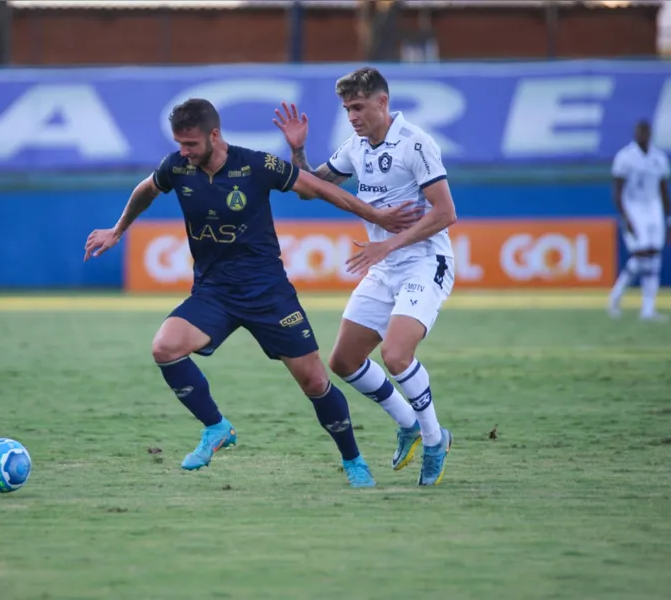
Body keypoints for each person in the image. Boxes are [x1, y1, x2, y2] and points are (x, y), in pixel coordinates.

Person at [84, 98, 421, 488]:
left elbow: (316, 189)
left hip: (268, 294)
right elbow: (146, 189)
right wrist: (118, 229)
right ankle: (216, 428)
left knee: (314, 381)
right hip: (214, 293)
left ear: (214, 135)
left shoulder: (257, 165)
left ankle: (353, 461)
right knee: (165, 347)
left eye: (191, 144)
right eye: (179, 143)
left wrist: (376, 215)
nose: (184, 152)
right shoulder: (176, 166)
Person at [272, 66, 457, 486]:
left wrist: (386, 244)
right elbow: (311, 188)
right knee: (343, 360)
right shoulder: (355, 147)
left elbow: (446, 213)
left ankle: (434, 440)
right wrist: (298, 153)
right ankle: (407, 422)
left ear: (382, 102)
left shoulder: (416, 143)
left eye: (358, 107)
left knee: (395, 355)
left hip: (426, 262)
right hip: (383, 265)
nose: (352, 115)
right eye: (346, 108)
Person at [608, 120, 671, 322]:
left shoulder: (659, 158)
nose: (642, 135)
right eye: (639, 132)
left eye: (645, 132)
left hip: (653, 208)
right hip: (634, 208)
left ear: (650, 133)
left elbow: (664, 190)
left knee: (654, 254)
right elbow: (618, 191)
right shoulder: (625, 157)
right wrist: (625, 216)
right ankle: (615, 297)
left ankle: (648, 309)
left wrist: (669, 219)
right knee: (641, 252)